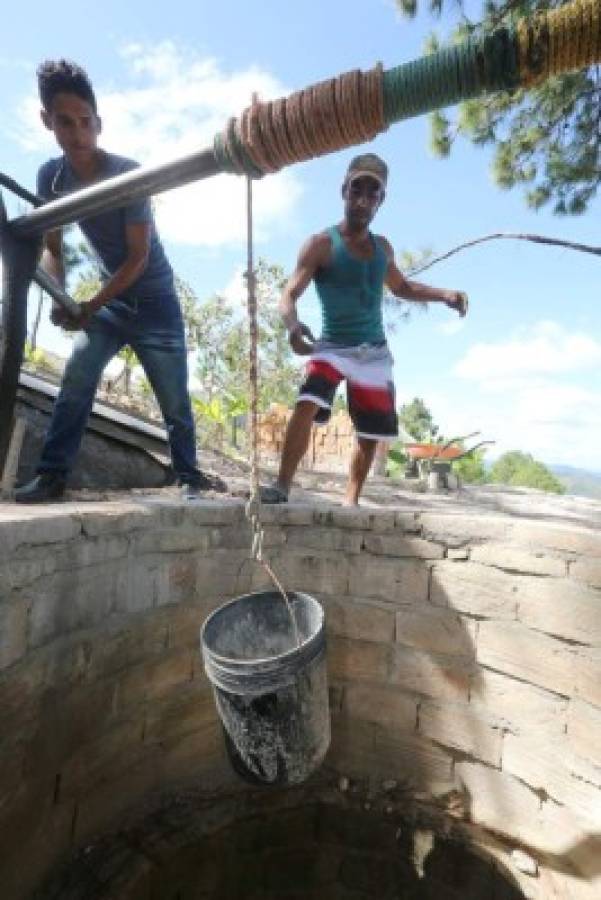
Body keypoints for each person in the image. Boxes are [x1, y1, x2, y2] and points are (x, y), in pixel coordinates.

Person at [15, 59, 218, 503]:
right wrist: (61, 295)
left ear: (99, 123)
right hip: (111, 305)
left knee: (176, 404)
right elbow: (53, 247)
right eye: (65, 123)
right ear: (47, 121)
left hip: (155, 302)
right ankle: (51, 477)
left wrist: (89, 305)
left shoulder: (129, 174)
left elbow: (138, 258)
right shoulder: (51, 177)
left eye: (85, 122)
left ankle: (188, 479)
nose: (77, 133)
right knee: (76, 381)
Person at [261, 152, 467, 507]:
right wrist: (292, 326)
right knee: (307, 402)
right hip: (330, 346)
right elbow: (288, 294)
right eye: (357, 188)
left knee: (370, 430)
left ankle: (351, 501)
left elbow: (402, 288)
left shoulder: (382, 248)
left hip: (373, 350)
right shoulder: (320, 244)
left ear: (381, 200)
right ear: (344, 190)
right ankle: (281, 486)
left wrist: (444, 294)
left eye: (373, 192)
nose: (363, 198)